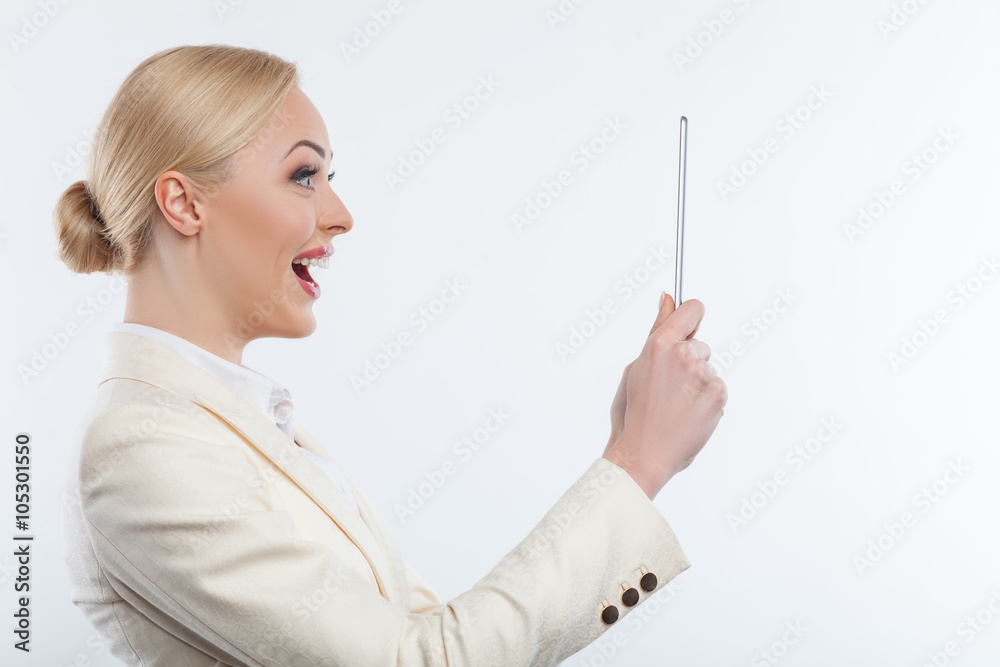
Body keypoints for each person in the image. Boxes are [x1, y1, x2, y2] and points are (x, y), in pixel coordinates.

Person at [55, 44, 727, 666]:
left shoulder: (235, 421)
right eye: (304, 175)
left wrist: (626, 447)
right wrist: (636, 463)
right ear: (183, 203)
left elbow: (433, 633)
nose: (341, 214)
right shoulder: (140, 446)